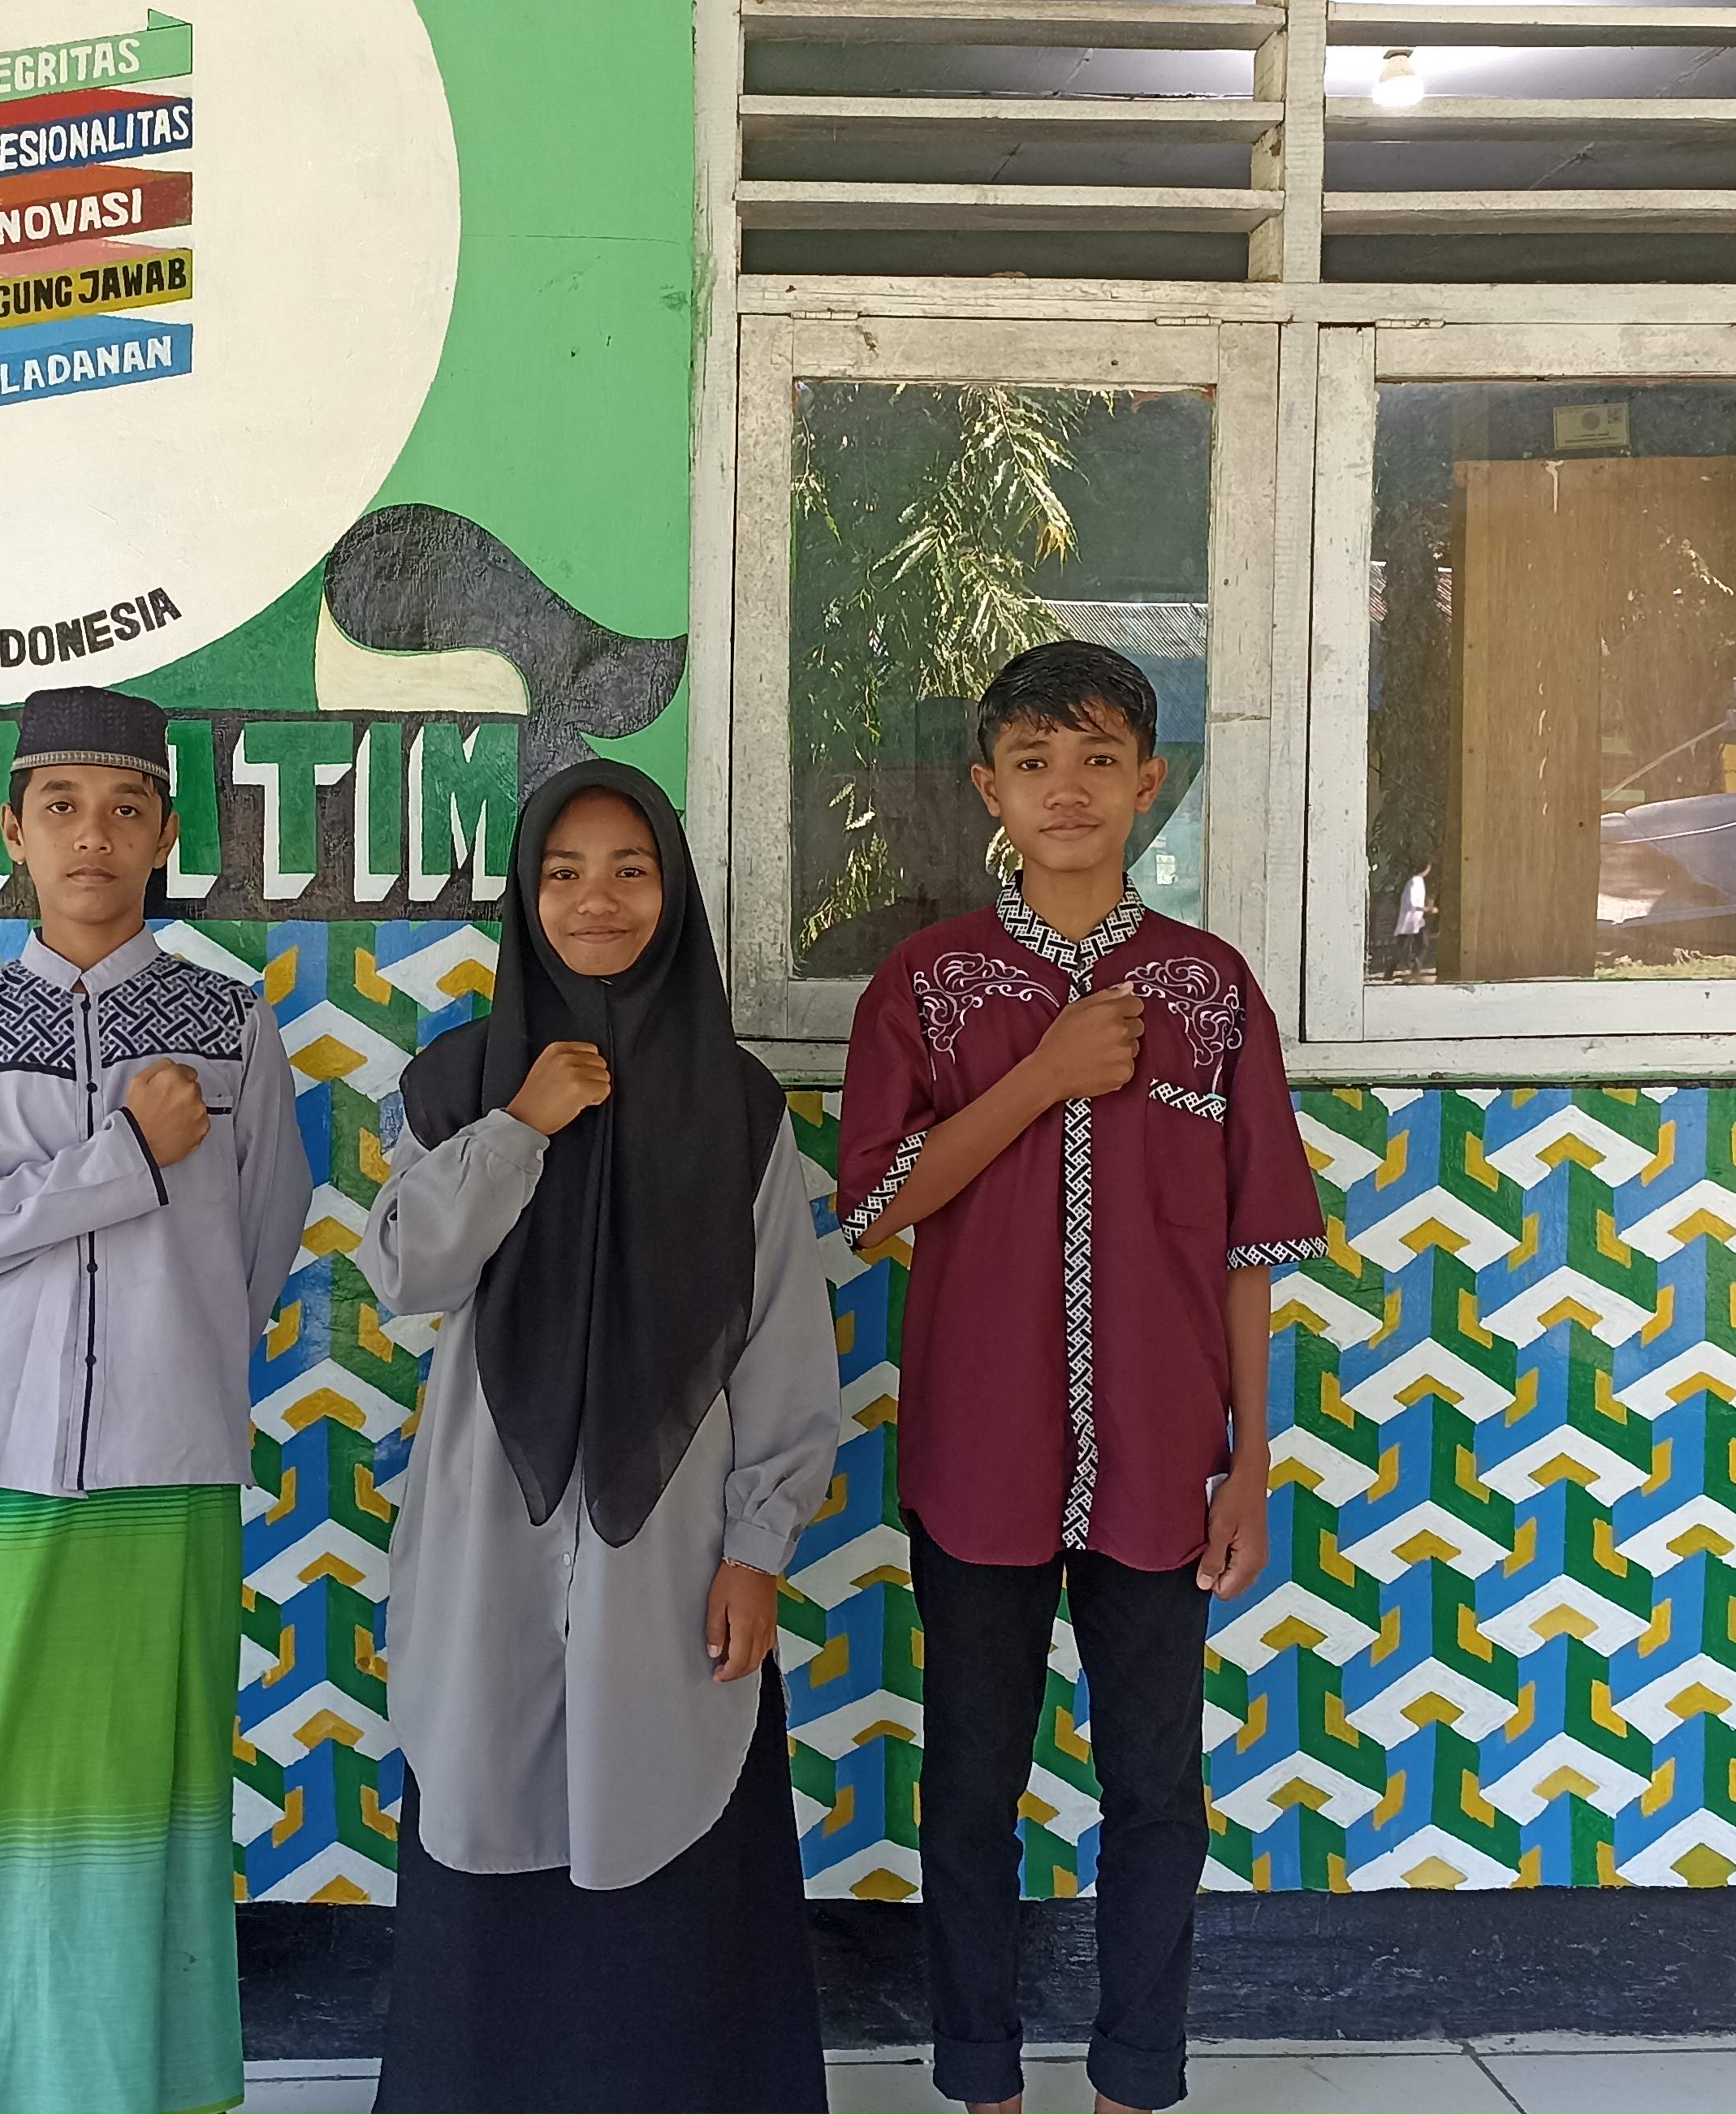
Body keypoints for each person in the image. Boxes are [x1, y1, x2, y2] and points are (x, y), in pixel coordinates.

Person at [836, 641, 1328, 2114]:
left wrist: (1250, 1461)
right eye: (1035, 763)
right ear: (988, 787)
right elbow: (880, 1208)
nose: (1069, 790)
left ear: (1149, 784)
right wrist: (1043, 1075)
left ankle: (1134, 2082)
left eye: (1100, 760)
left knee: (1157, 1794)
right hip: (976, 1456)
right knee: (969, 1790)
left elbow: (1248, 1246)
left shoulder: (1210, 990)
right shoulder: (927, 985)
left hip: (1165, 1460)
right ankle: (981, 2081)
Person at [361, 759, 840, 2114]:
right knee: (487, 1799)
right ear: (527, 897)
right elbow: (406, 1273)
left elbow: (782, 1342)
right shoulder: (456, 1082)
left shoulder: (739, 1105)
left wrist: (757, 1550)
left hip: (674, 1544)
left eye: (631, 870)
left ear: (673, 892)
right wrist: (521, 1127)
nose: (597, 900)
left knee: (671, 1813)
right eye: (564, 873)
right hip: (492, 1533)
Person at [0, 685, 310, 2114]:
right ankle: (23, 2088)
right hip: (6, 1467)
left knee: (170, 1794)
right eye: (61, 806)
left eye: (126, 809)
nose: (93, 836)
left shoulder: (229, 1022)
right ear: (13, 830)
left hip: (171, 1466)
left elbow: (263, 1232)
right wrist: (122, 1157)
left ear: (167, 835)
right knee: (14, 1797)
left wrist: (174, 1355)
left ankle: (164, 2086)